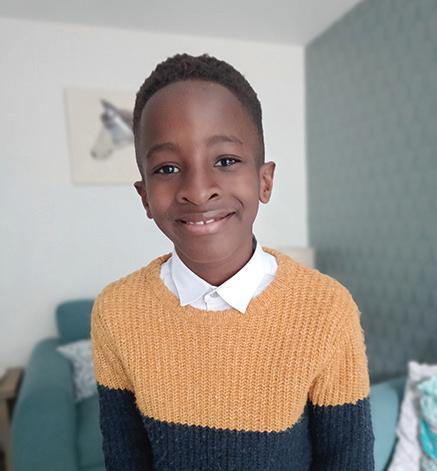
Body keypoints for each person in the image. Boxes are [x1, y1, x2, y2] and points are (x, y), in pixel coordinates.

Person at [91, 52, 375, 470]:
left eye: (225, 161)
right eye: (167, 168)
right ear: (144, 197)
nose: (198, 190)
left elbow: (348, 461)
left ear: (264, 180)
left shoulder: (327, 310)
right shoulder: (116, 312)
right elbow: (125, 459)